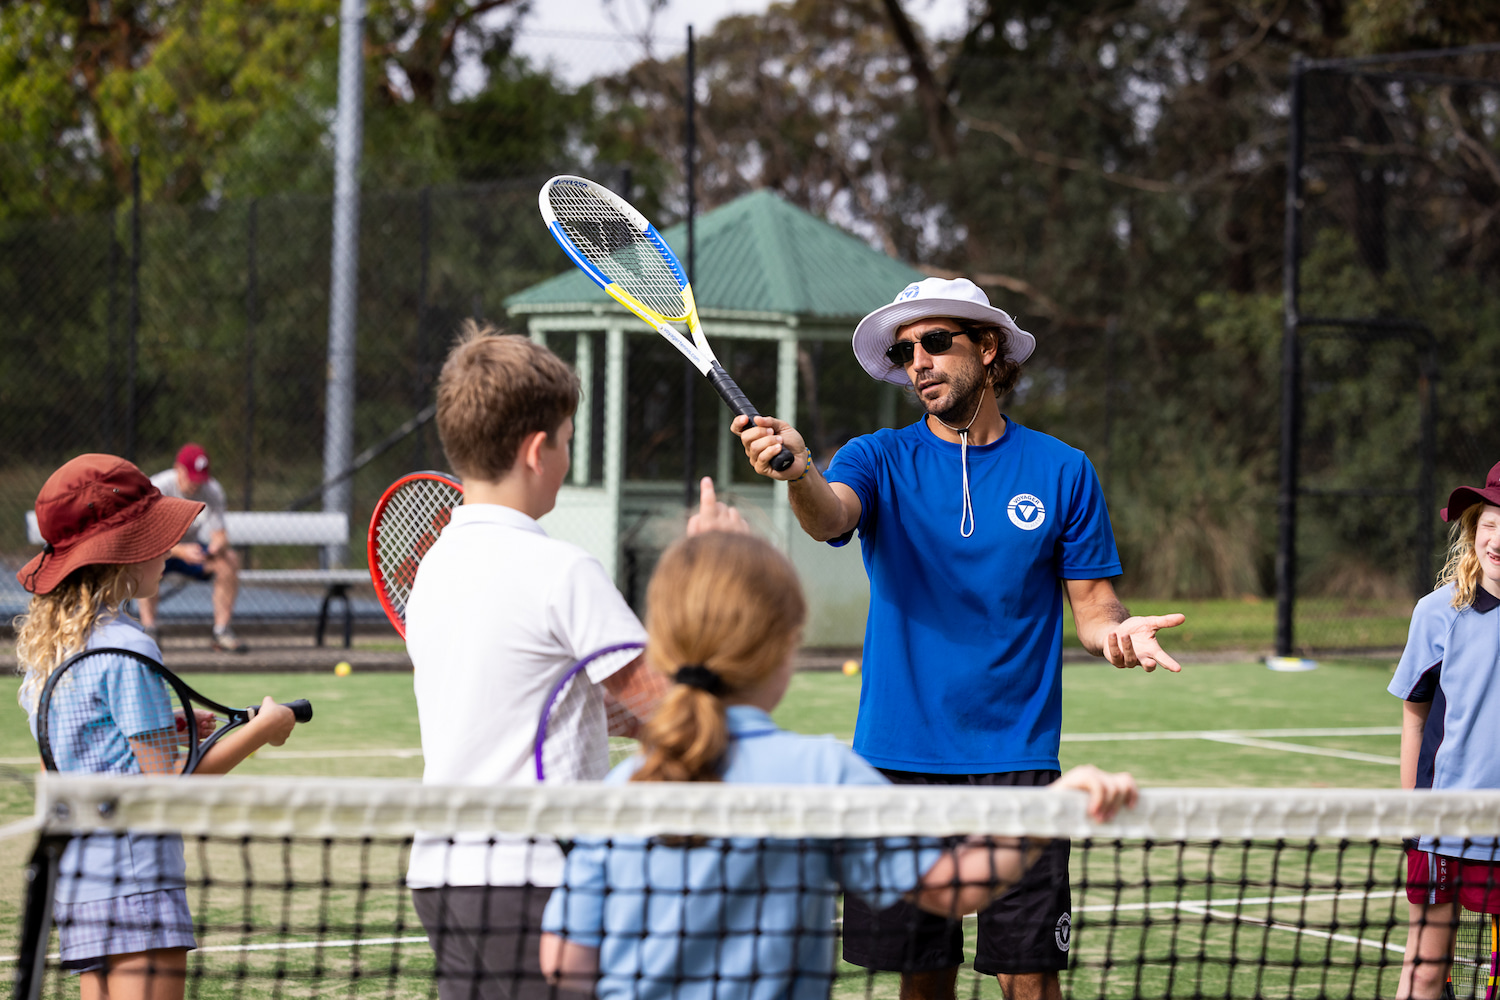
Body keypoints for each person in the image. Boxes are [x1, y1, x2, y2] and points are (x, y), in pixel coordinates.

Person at [732, 276, 1183, 1000]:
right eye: (905, 349)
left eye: (936, 342)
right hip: (895, 765)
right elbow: (830, 515)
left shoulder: (1063, 470)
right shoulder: (875, 458)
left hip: (1019, 765)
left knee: (1029, 979)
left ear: (988, 347)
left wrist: (1118, 635)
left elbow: (1094, 610)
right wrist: (798, 469)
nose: (918, 360)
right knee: (922, 982)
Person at [539, 531, 1138, 999]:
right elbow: (953, 887)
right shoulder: (823, 773)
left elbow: (564, 963)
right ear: (785, 649)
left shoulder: (622, 788)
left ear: (663, 648)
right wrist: (1048, 811)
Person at [404, 320, 742, 1000]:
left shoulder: (434, 566)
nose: (565, 456)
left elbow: (549, 702)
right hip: (536, 879)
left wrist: (612, 712)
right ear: (537, 451)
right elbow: (680, 722)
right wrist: (715, 572)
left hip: (444, 874)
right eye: (565, 442)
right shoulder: (560, 570)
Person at [14, 453, 301, 1000]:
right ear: (120, 554)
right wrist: (264, 728)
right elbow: (167, 793)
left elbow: (85, 751)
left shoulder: (51, 651)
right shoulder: (131, 646)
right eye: (156, 534)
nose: (169, 546)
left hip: (79, 882)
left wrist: (166, 725)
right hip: (138, 879)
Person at [1391, 461, 1500, 1000]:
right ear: (1473, 528)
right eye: (1489, 523)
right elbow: (1415, 719)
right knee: (1426, 970)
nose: (1497, 540)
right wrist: (1412, 811)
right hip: (1443, 824)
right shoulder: (1437, 613)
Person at [137, 442, 247, 653]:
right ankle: (150, 629)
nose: (196, 484)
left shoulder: (212, 489)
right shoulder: (157, 487)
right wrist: (178, 551)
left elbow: (220, 534)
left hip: (193, 553)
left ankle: (221, 632)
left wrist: (218, 546)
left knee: (229, 560)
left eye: (200, 478)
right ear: (178, 469)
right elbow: (146, 536)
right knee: (146, 560)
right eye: (191, 477)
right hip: (160, 551)